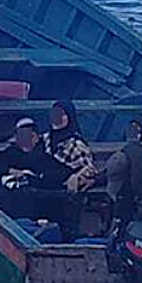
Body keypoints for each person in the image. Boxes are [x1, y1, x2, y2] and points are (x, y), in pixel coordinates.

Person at [0, 118, 70, 220]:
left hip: (38, 213)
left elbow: (62, 175)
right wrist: (9, 171)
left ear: (36, 137)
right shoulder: (5, 156)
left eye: (30, 135)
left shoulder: (46, 160)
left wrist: (33, 177)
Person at [42, 100, 100, 239]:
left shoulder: (76, 145)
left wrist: (76, 178)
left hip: (62, 197)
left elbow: (89, 170)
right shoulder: (44, 139)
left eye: (61, 115)